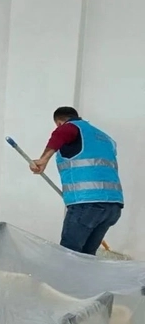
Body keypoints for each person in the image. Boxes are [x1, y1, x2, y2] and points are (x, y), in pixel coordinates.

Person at [30, 106, 123, 255]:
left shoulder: (70, 128)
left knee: (69, 255)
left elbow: (63, 132)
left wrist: (43, 159)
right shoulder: (105, 138)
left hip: (87, 204)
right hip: (112, 206)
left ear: (60, 123)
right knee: (86, 256)